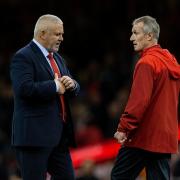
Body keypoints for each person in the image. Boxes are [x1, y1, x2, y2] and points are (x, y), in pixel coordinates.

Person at [10, 14, 80, 180]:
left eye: (62, 34)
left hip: (58, 138)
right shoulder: (23, 57)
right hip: (34, 138)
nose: (61, 38)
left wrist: (72, 84)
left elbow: (72, 88)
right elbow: (23, 89)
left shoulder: (57, 58)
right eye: (57, 34)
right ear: (42, 34)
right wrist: (55, 86)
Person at [111, 15, 180, 180]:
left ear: (149, 36)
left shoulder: (146, 63)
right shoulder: (171, 62)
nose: (131, 37)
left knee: (119, 176)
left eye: (135, 33)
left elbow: (139, 101)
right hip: (165, 136)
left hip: (144, 136)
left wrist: (124, 128)